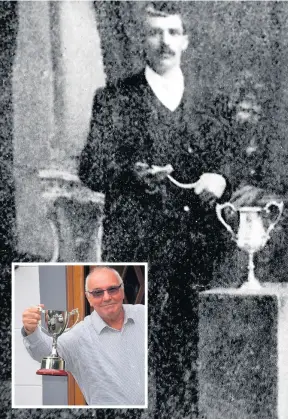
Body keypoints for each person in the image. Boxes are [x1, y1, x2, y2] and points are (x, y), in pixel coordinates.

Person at [78, 3, 271, 416]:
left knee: (185, 354)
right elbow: (90, 168)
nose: (164, 41)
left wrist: (221, 179)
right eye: (154, 32)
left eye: (172, 32)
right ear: (142, 42)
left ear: (185, 40)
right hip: (134, 242)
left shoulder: (210, 101)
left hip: (195, 245)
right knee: (122, 355)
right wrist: (133, 175)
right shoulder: (115, 98)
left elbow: (236, 162)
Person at [21, 267, 145, 406]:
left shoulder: (145, 315)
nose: (107, 297)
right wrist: (31, 330)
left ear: (122, 291)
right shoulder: (80, 336)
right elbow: (46, 353)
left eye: (112, 289)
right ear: (89, 298)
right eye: (97, 293)